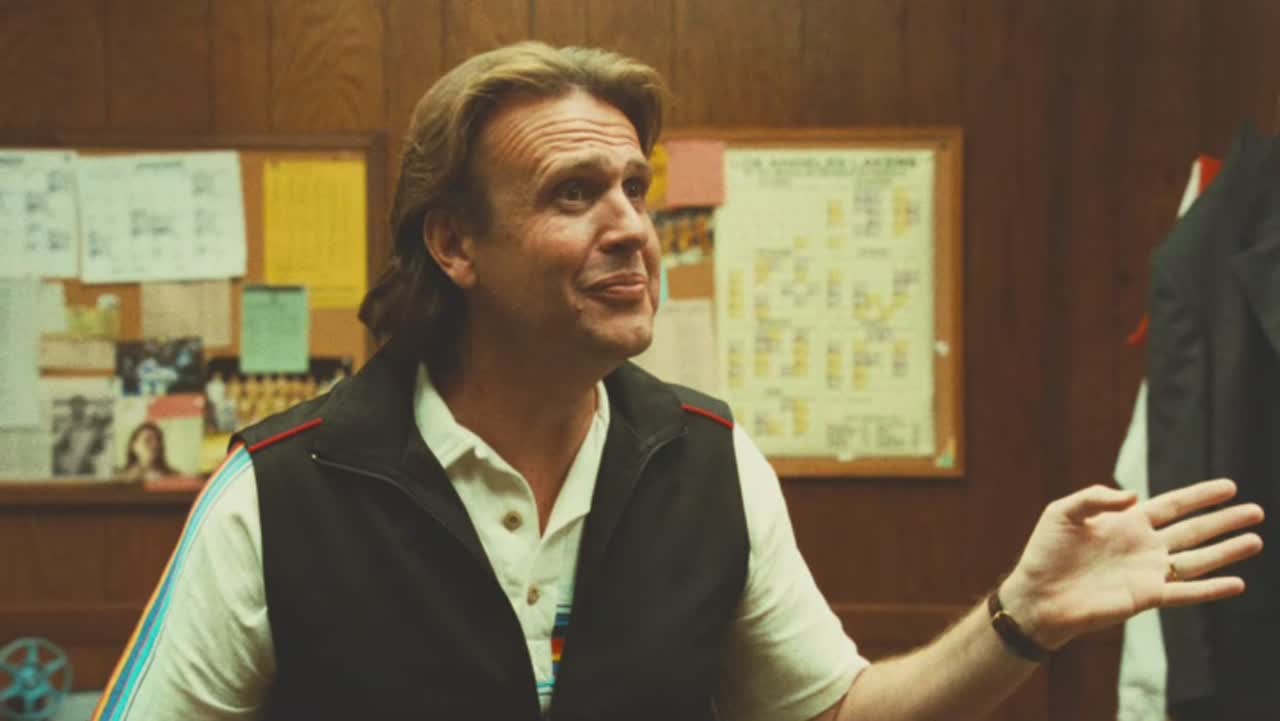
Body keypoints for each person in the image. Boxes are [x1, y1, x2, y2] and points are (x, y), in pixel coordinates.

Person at [92, 42, 1263, 721]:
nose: (629, 229)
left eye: (634, 189)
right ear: (453, 244)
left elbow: (832, 710)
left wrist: (1017, 619)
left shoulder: (706, 463)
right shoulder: (283, 489)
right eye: (572, 195)